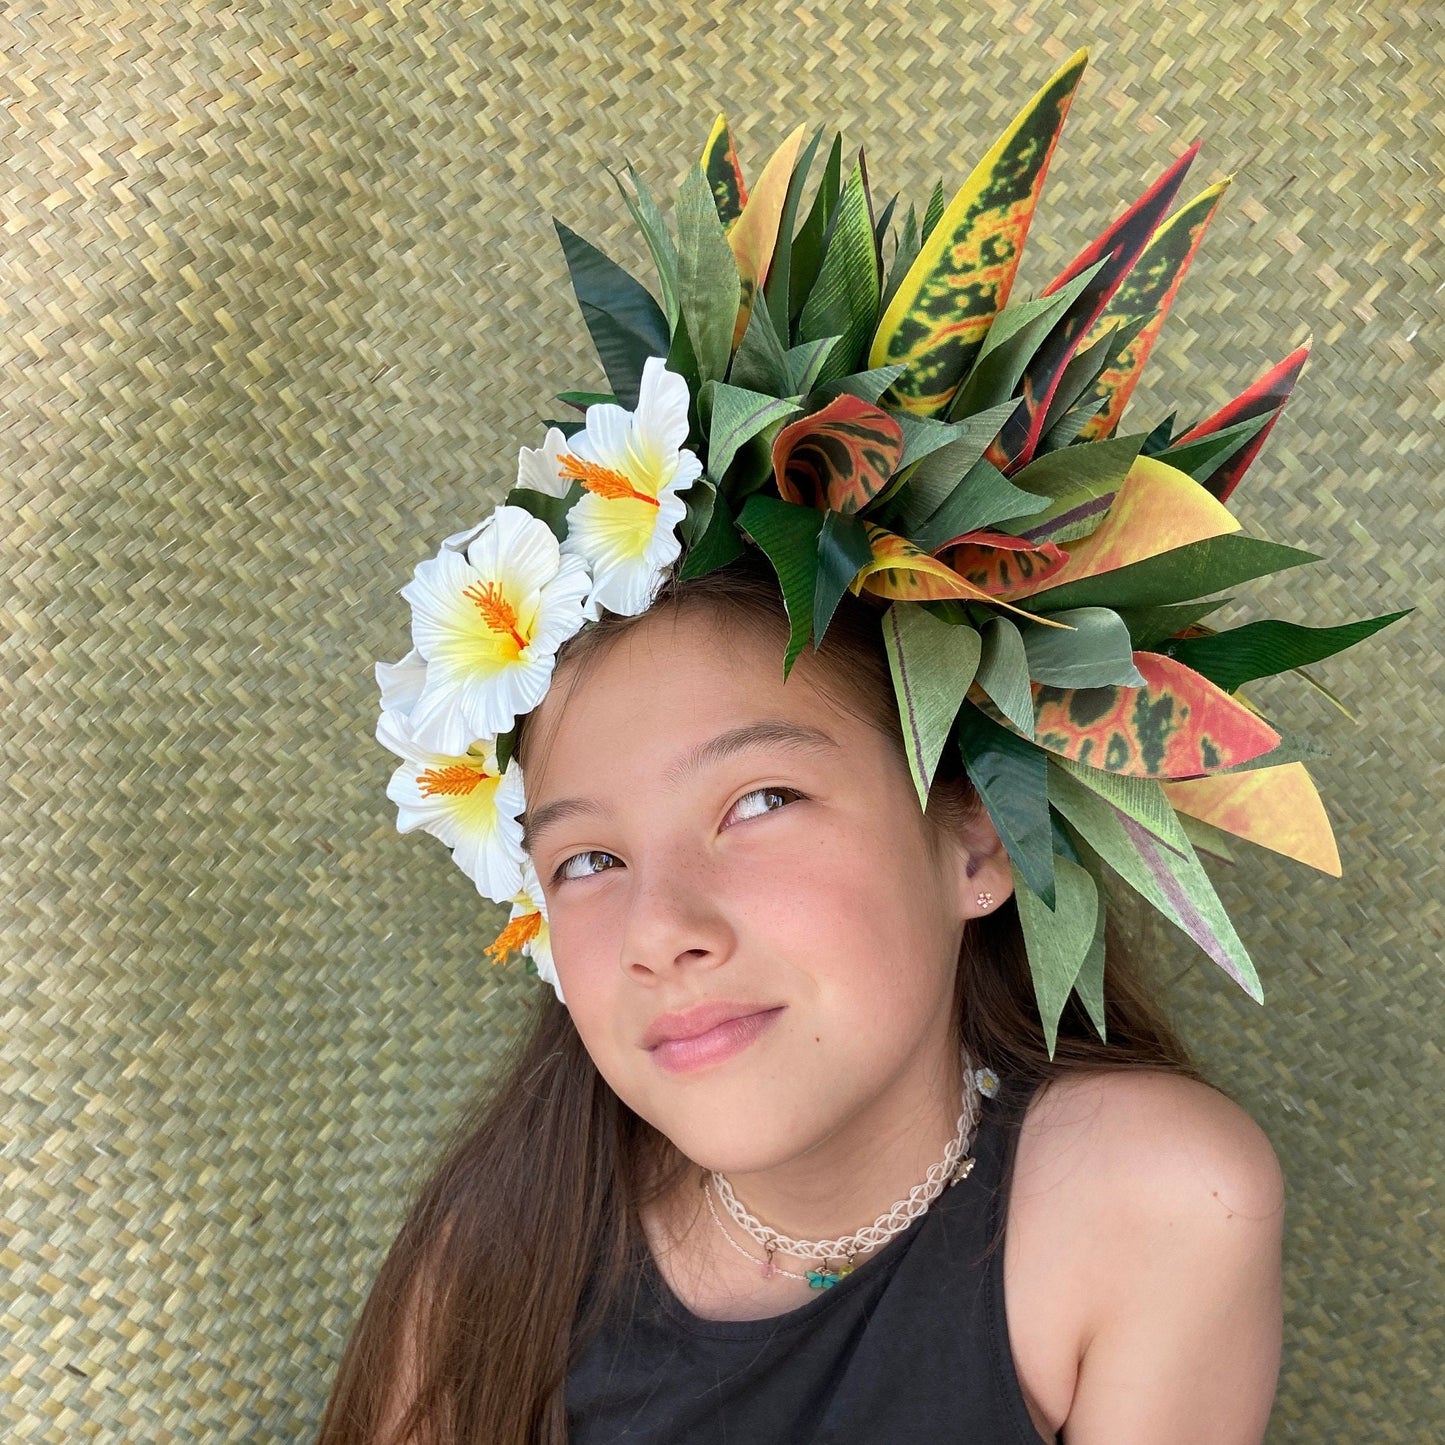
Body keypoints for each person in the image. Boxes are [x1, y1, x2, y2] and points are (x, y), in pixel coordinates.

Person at [318, 45, 1403, 1445]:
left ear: (971, 835)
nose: (661, 927)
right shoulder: (498, 1254)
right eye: (585, 857)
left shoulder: (1143, 1202)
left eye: (759, 797)